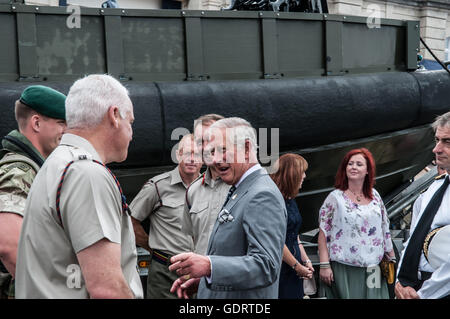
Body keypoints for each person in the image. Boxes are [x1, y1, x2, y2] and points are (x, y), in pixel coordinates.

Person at [15, 74, 143, 298]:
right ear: (114, 115)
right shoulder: (87, 174)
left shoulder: (57, 163)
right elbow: (107, 289)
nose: (132, 134)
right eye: (130, 121)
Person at [169, 117, 287, 299]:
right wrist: (206, 280)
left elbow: (266, 266)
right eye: (211, 152)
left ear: (247, 149)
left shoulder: (262, 195)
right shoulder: (242, 188)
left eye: (222, 150)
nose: (214, 160)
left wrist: (209, 266)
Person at [0, 85, 66, 299]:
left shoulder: (34, 169)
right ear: (36, 123)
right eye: (61, 123)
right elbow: (9, 244)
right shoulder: (20, 171)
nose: (66, 132)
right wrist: (49, 291)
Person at [130, 133, 202, 299]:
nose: (192, 159)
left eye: (197, 154)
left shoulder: (209, 188)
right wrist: (152, 248)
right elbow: (129, 220)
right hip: (166, 272)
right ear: (178, 155)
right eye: (187, 153)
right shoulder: (158, 186)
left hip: (199, 272)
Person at [318, 147, 395, 299]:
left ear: (367, 170)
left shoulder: (375, 196)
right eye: (350, 164)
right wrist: (324, 265)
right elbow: (323, 233)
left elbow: (384, 227)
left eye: (359, 164)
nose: (353, 167)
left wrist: (391, 256)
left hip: (373, 268)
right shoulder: (335, 198)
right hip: (346, 268)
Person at [395, 111, 450, 299]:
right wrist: (400, 283)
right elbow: (412, 241)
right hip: (417, 287)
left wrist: (423, 295)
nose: (437, 149)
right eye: (437, 140)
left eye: (447, 142)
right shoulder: (432, 191)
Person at [182, 114, 232, 255]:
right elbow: (194, 239)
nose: (204, 147)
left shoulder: (247, 185)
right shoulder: (193, 190)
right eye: (199, 141)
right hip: (203, 277)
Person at [270, 153, 314, 299]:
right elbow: (276, 241)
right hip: (280, 268)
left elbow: (294, 235)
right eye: (302, 172)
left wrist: (306, 260)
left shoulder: (291, 199)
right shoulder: (273, 201)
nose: (305, 176)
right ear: (291, 174)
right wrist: (297, 266)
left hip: (294, 268)